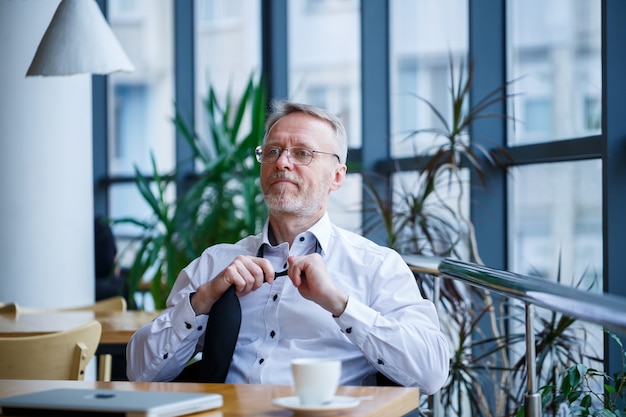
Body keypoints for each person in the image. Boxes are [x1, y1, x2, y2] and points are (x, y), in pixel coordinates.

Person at [126, 100, 450, 394]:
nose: (282, 162)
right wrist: (203, 299)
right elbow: (139, 372)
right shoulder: (216, 263)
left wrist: (340, 303)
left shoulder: (376, 267)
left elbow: (431, 374)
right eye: (272, 151)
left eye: (302, 153)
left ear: (336, 177)